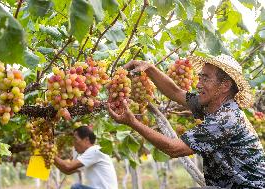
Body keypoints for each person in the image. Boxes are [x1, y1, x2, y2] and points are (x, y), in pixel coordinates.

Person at [108, 54, 265, 188]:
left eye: (205, 78)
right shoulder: (212, 105)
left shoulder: (226, 118)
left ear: (224, 86)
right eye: (200, 77)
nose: (198, 84)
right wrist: (148, 68)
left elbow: (174, 148)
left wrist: (133, 123)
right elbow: (176, 92)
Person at [54, 126, 118, 189]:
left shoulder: (95, 150)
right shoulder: (87, 156)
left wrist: (52, 155)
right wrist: (50, 157)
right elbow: (67, 171)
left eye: (75, 139)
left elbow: (68, 166)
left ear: (86, 139)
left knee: (76, 187)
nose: (73, 143)